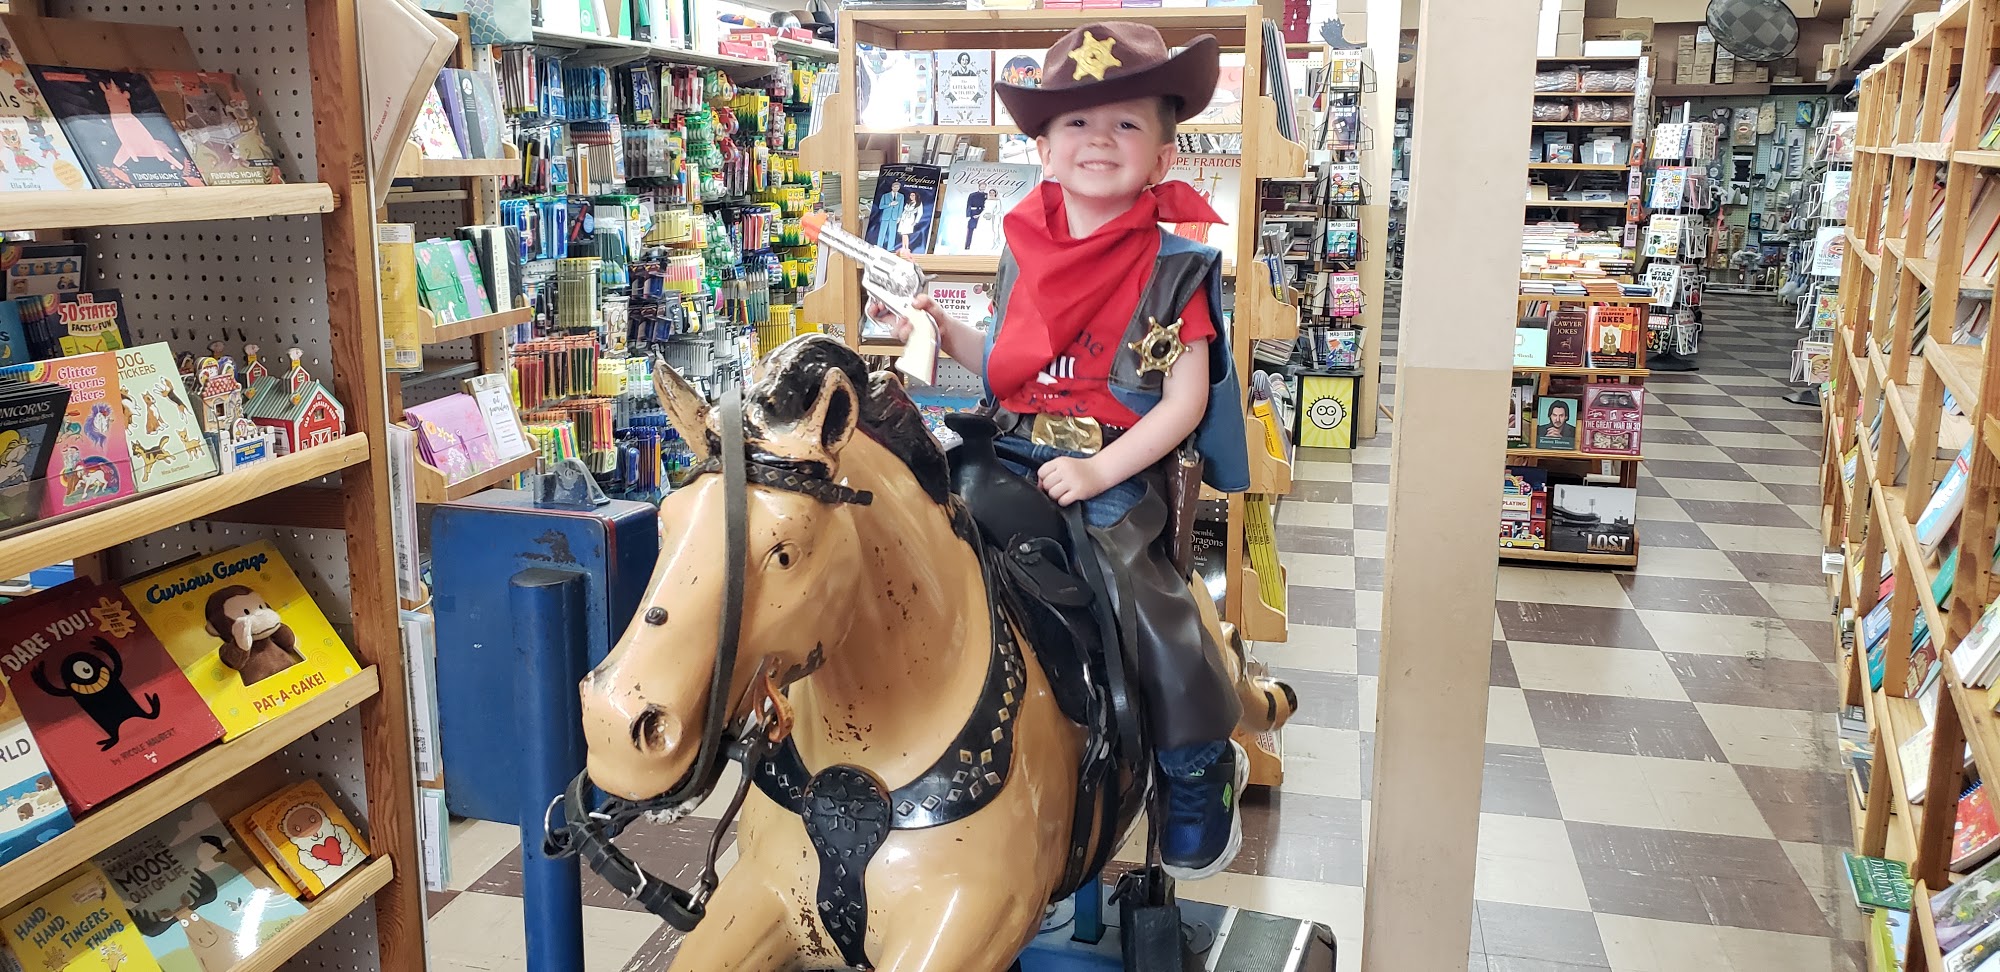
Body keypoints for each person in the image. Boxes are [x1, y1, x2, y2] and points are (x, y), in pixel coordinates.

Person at [868, 21, 1253, 880]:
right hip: (1007, 446)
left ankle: (1196, 765)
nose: (1099, 139)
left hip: (1113, 463)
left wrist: (1100, 470)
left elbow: (1185, 401)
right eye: (1077, 122)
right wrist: (941, 328)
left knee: (1144, 597)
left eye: (1126, 123)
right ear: (1042, 148)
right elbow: (1008, 364)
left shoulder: (1177, 269)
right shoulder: (1022, 245)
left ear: (1162, 155)